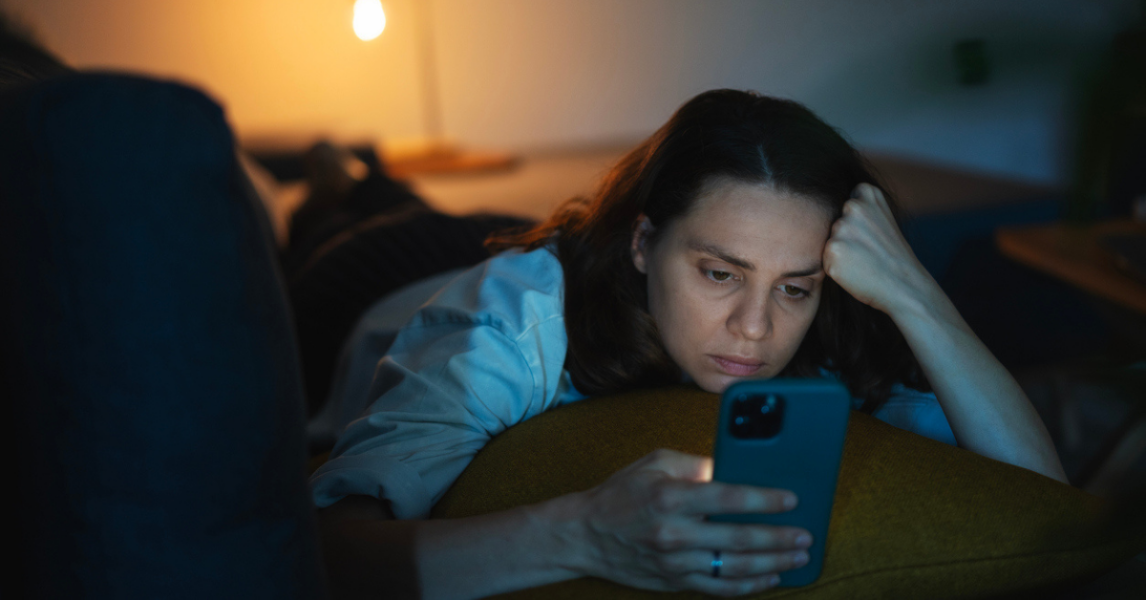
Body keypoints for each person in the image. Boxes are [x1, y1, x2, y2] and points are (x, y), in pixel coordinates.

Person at [310, 89, 1068, 599]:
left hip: (574, 243)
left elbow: (1044, 512)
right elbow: (328, 559)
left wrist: (917, 294)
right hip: (382, 278)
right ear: (645, 244)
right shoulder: (508, 325)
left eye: (794, 286)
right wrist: (582, 535)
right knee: (344, 215)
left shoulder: (828, 321)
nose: (755, 328)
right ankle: (336, 177)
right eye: (719, 272)